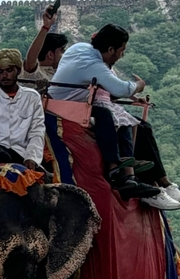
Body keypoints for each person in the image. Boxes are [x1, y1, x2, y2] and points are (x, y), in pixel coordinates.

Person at [48, 24, 169, 204]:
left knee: (124, 117)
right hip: (66, 106)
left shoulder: (79, 48)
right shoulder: (95, 65)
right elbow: (120, 88)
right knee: (107, 114)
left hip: (62, 100)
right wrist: (138, 85)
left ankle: (128, 166)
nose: (122, 55)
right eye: (122, 50)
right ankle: (115, 168)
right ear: (111, 49)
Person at [21, 4, 68, 88]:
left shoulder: (63, 73)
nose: (64, 55)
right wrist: (46, 27)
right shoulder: (38, 74)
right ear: (50, 55)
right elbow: (30, 61)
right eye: (62, 50)